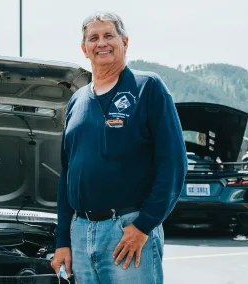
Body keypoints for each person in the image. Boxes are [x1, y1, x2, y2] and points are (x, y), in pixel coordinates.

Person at [50, 11, 188, 283]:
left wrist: (143, 225)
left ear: (125, 42)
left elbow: (173, 163)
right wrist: (62, 240)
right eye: (94, 38)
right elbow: (67, 175)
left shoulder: (147, 87)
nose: (101, 43)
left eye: (109, 35)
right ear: (84, 49)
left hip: (126, 229)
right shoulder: (76, 101)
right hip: (80, 232)